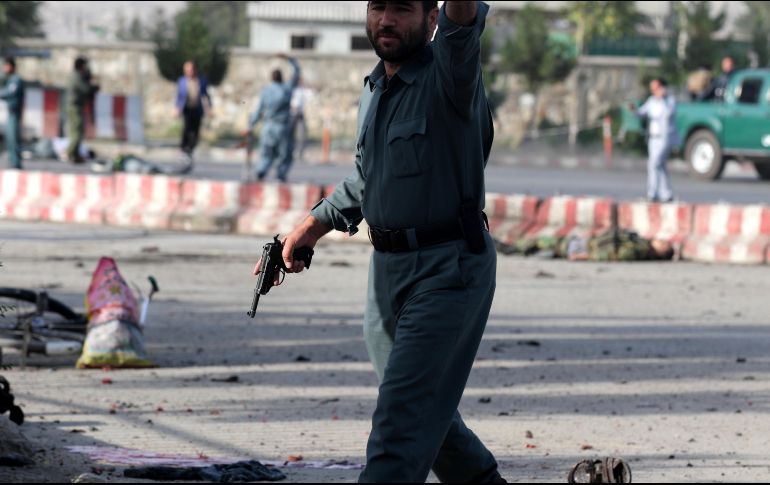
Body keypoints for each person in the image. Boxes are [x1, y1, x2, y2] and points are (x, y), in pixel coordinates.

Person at [256, 1, 505, 482]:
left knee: (399, 430)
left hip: (446, 271)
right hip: (386, 278)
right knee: (432, 421)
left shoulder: (451, 74)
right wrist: (311, 226)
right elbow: (367, 179)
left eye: (403, 8)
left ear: (431, 18)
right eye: (377, 7)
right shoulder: (375, 89)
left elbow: (462, 23)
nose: (386, 20)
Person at [245, 54, 300, 182]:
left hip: (268, 127)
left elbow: (259, 111)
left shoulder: (266, 91)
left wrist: (250, 125)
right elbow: (296, 74)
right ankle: (281, 174)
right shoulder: (286, 89)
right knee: (284, 154)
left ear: (271, 78)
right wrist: (290, 59)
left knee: (266, 153)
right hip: (282, 127)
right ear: (282, 78)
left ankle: (261, 171)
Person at [632, 78, 678, 203]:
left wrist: (662, 99)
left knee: (654, 164)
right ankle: (666, 194)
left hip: (665, 138)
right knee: (660, 165)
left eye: (656, 88)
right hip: (653, 138)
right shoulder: (651, 101)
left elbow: (669, 114)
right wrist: (634, 110)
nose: (654, 91)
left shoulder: (670, 101)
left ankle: (652, 193)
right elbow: (642, 113)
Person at [175, 60, 211, 162]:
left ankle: (190, 149)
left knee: (195, 130)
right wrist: (176, 108)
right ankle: (183, 149)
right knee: (186, 128)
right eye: (187, 69)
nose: (189, 71)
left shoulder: (202, 81)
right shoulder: (182, 81)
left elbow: (206, 95)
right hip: (186, 108)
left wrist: (208, 108)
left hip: (197, 108)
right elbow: (179, 96)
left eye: (190, 69)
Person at [66, 57, 99, 164]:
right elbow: (86, 89)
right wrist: (93, 87)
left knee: (77, 131)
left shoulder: (78, 76)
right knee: (77, 131)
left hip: (76, 106)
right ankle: (69, 152)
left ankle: (75, 154)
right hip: (74, 107)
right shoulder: (77, 76)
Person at [0, 57, 25, 169]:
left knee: (14, 138)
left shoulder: (16, 80)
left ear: (12, 66)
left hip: (15, 113)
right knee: (10, 138)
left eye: (6, 66)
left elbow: (9, 92)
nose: (4, 68)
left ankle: (16, 163)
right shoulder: (9, 79)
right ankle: (12, 161)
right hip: (10, 113)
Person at [289, 76, 312, 163]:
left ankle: (300, 154)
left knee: (302, 134)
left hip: (300, 114)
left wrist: (306, 85)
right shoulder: (291, 89)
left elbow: (309, 95)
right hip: (291, 114)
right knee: (289, 135)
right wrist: (292, 106)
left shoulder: (302, 90)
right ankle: (290, 153)